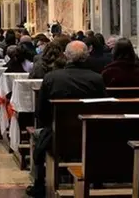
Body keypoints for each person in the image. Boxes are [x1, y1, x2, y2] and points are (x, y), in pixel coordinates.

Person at [29, 41, 107, 197]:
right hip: (89, 134)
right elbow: (102, 107)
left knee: (40, 137)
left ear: (65, 56)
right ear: (86, 57)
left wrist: (49, 124)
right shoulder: (97, 79)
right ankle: (97, 180)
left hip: (58, 134)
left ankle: (39, 184)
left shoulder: (52, 77)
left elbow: (40, 112)